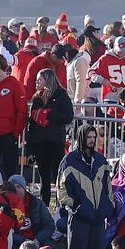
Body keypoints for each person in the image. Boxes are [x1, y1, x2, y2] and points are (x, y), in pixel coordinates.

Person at [58, 124, 113, 249]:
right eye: (88, 137)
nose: (92, 140)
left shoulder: (101, 160)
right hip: (79, 217)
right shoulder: (69, 160)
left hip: (98, 218)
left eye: (94, 137)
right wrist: (75, 206)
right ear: (81, 137)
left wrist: (108, 207)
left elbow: (108, 186)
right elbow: (62, 190)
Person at [26, 68, 75, 207]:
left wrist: (48, 113)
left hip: (55, 141)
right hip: (39, 142)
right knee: (43, 177)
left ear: (47, 80)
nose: (36, 82)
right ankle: (45, 206)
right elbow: (32, 123)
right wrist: (30, 146)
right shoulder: (37, 98)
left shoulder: (61, 95)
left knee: (58, 175)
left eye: (39, 79)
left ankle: (61, 206)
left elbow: (68, 116)